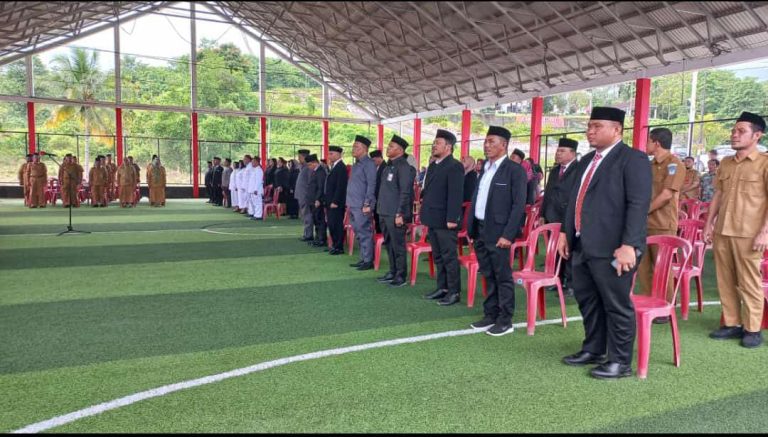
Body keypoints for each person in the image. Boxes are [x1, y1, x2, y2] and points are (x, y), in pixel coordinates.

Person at [557, 106, 652, 379]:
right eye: (589, 125)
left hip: (614, 247)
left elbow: (638, 205)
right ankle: (594, 349)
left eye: (597, 126)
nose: (590, 130)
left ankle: (620, 361)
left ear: (617, 130)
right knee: (588, 301)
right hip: (582, 243)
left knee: (615, 303)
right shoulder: (588, 160)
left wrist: (629, 245)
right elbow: (575, 199)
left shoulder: (632, 159)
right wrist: (566, 232)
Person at [703, 111, 768, 348]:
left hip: (750, 233)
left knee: (749, 281)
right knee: (725, 279)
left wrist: (765, 232)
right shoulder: (727, 163)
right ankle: (731, 323)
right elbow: (718, 195)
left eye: (741, 131)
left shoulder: (764, 164)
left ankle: (752, 328)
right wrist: (709, 224)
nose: (734, 134)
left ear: (757, 135)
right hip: (723, 231)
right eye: (734, 130)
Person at [466, 126, 528, 336]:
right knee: (489, 274)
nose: (487, 145)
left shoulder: (514, 170)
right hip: (481, 229)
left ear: (504, 145)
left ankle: (505, 319)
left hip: (500, 232)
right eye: (485, 141)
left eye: (492, 141)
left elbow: (518, 206)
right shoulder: (485, 169)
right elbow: (478, 200)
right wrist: (472, 229)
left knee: (502, 276)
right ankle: (490, 314)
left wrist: (508, 235)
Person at [636, 128, 686, 324]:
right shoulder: (650, 165)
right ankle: (649, 303)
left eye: (648, 141)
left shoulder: (675, 164)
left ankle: (665, 307)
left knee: (662, 267)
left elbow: (666, 195)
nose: (646, 145)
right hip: (645, 223)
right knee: (643, 266)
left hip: (663, 224)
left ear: (656, 143)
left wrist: (643, 211)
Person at [420, 129, 465, 306]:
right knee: (438, 256)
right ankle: (443, 288)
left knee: (449, 257)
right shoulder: (433, 165)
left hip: (446, 220)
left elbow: (456, 194)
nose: (433, 146)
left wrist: (452, 218)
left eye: (437, 143)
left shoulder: (454, 166)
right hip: (433, 218)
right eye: (434, 143)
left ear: (448, 147)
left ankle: (454, 292)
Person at [540, 137, 580, 295]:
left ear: (573, 153)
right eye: (557, 150)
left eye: (562, 151)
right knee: (555, 250)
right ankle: (556, 278)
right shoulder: (555, 170)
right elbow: (548, 193)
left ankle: (570, 284)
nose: (558, 153)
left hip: (568, 216)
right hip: (552, 216)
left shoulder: (578, 169)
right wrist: (543, 214)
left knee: (569, 249)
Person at [376, 135, 416, 287]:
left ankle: (401, 275)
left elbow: (405, 192)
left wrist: (400, 214)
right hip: (384, 212)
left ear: (399, 150)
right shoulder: (389, 166)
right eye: (388, 146)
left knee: (398, 245)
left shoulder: (404, 167)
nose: (388, 148)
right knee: (389, 244)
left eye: (391, 146)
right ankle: (392, 271)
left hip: (395, 214)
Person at [346, 135, 378, 270]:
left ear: (364, 149)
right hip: (353, 204)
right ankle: (363, 258)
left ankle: (368, 261)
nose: (353, 149)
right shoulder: (357, 163)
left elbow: (371, 185)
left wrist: (367, 204)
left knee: (365, 232)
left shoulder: (369, 164)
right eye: (353, 146)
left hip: (361, 206)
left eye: (356, 147)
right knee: (359, 233)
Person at [325, 146, 348, 255]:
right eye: (329, 154)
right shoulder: (334, 166)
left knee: (337, 224)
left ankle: (339, 246)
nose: (330, 156)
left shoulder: (341, 167)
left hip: (336, 202)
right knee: (331, 224)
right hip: (330, 201)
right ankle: (334, 244)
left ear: (339, 155)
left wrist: (335, 201)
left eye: (332, 154)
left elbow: (341, 186)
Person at [306, 154, 328, 247]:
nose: (309, 167)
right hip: (312, 200)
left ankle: (322, 239)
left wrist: (318, 199)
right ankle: (317, 238)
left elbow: (320, 187)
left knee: (319, 220)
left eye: (310, 164)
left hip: (317, 200)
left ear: (315, 163)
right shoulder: (315, 171)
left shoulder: (320, 172)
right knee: (316, 220)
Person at [370, 149, 385, 235]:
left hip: (381, 199)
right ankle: (379, 234)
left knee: (380, 219)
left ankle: (382, 236)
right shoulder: (377, 167)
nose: (373, 162)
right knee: (377, 218)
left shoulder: (385, 167)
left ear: (379, 158)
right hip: (376, 198)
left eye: (374, 160)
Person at [247, 156, 264, 220]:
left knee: (257, 203)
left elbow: (258, 181)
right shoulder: (254, 170)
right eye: (252, 162)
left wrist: (255, 189)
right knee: (253, 203)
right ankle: (255, 214)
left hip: (256, 190)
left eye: (253, 162)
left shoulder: (259, 170)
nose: (252, 163)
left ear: (257, 162)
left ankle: (258, 216)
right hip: (252, 189)